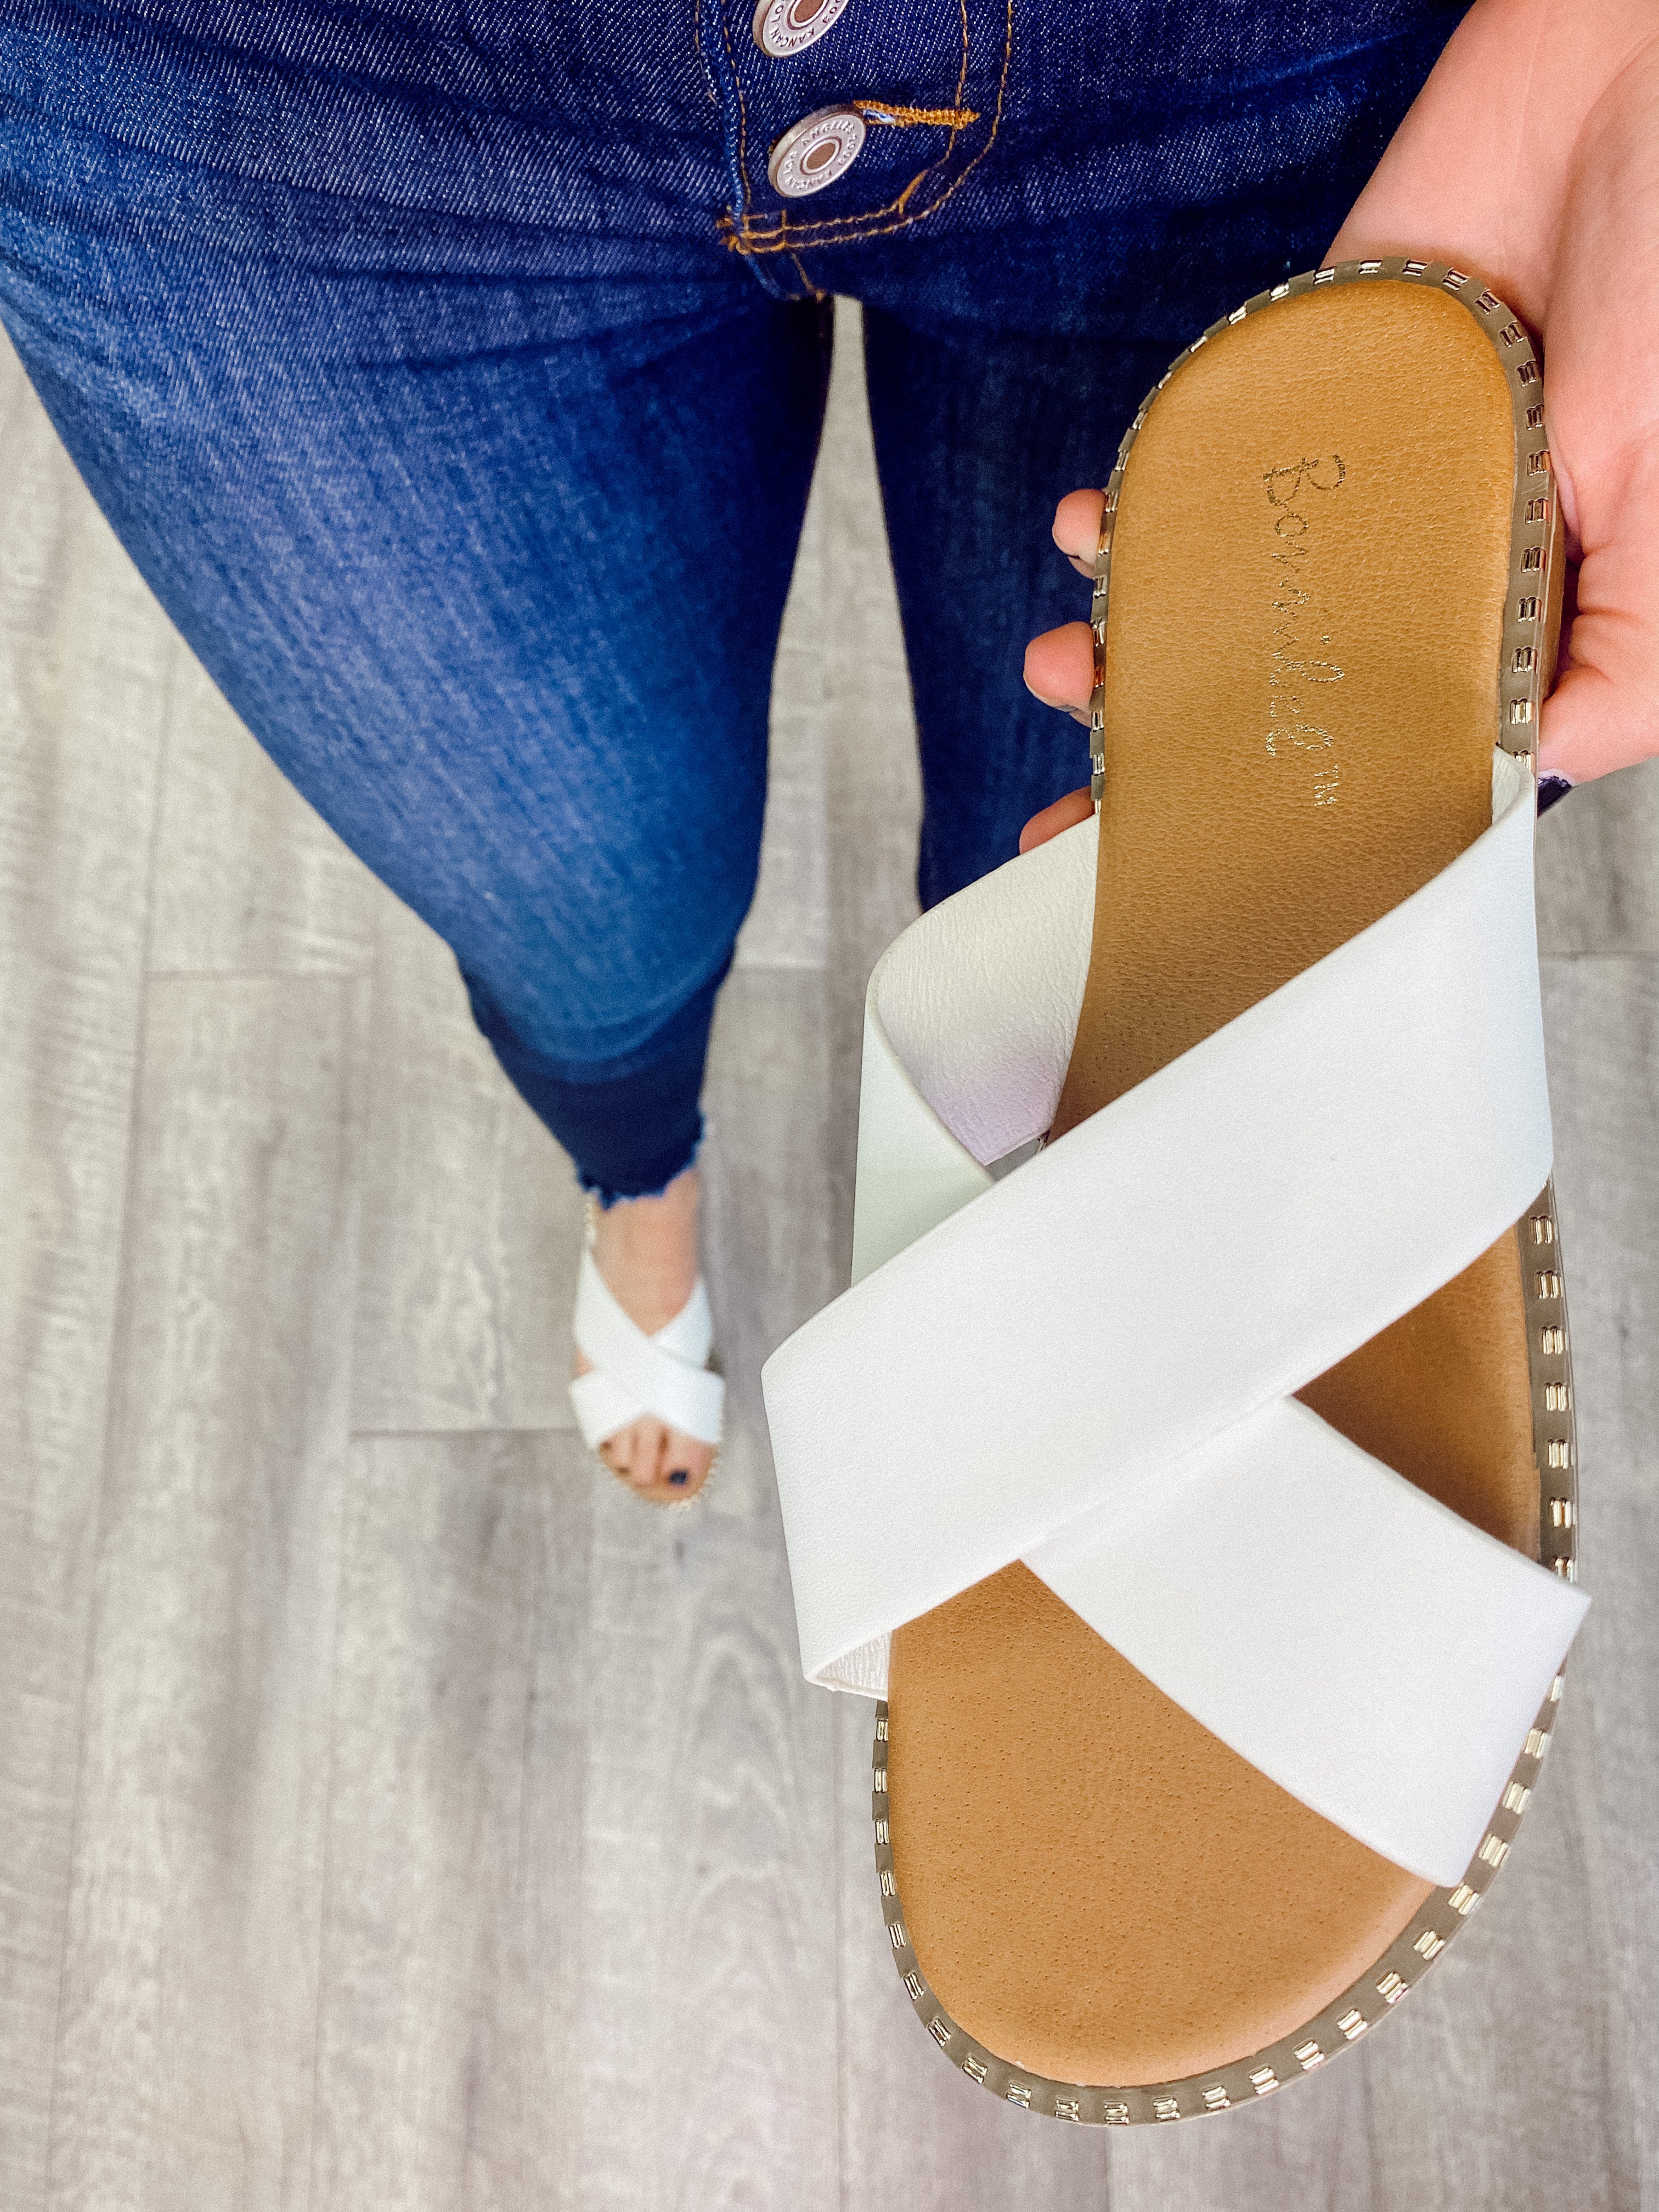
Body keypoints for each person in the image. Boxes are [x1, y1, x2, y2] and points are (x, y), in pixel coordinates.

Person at [2, 0, 1652, 1506]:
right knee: (595, 928)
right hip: (272, 98)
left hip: (1269, 62)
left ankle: (1014, 1232)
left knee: (1094, 941)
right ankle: (640, 1175)